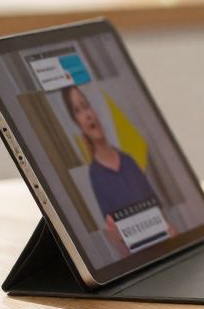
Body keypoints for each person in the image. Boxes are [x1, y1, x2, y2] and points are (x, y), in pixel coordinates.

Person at [61, 84, 169, 256]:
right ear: (77, 123)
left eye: (86, 105)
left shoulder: (128, 161)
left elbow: (161, 215)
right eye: (78, 110)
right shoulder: (95, 175)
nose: (87, 115)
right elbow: (119, 242)